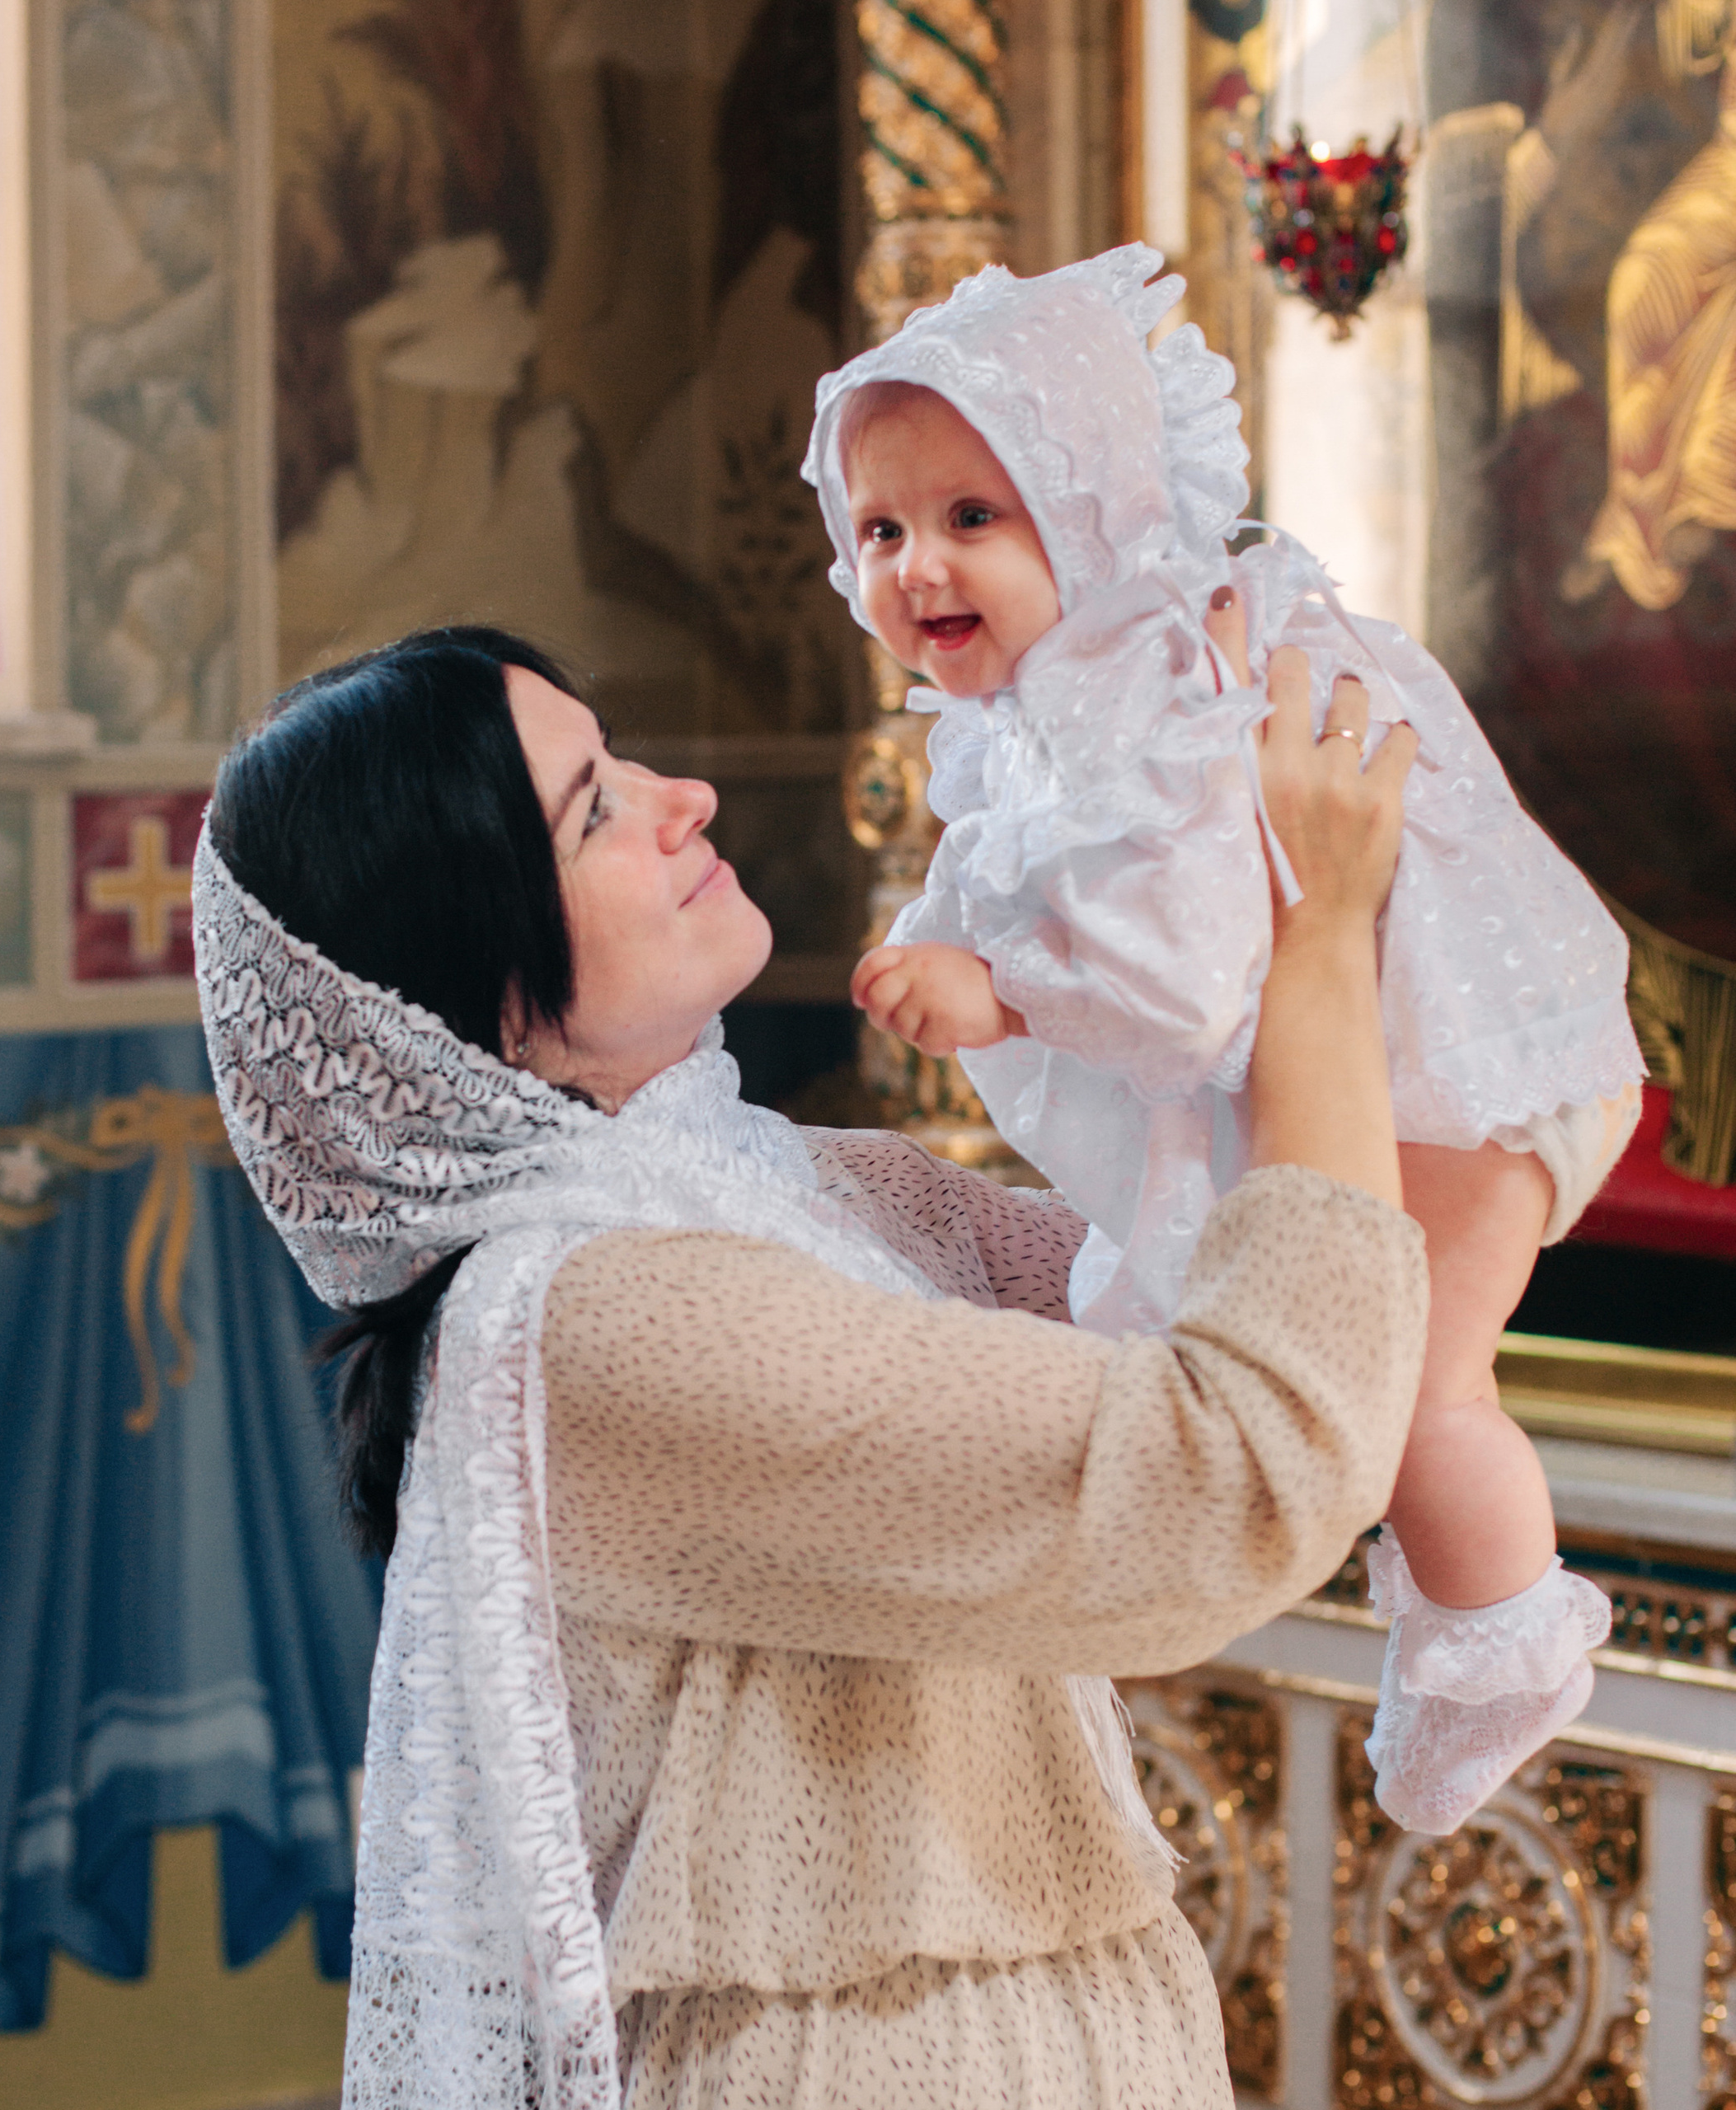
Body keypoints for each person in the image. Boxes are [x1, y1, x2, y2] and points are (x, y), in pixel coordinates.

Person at [196, 620, 1430, 2109]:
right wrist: (1319, 945)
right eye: (596, 809)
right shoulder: (601, 1318)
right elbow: (1224, 1472)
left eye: (621, 755)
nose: (685, 798)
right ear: (488, 1012)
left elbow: (1199, 1283)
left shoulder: (817, 1188)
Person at [802, 246, 1641, 1837]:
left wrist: (1008, 992)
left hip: (1464, 1066)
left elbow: (1188, 980)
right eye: (884, 529)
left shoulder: (1168, 674)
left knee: (1414, 1393)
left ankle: (1503, 1644)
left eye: (976, 517)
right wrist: (945, 936)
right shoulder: (1042, 709)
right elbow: (1011, 876)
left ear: (1100, 507)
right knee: (1259, 1361)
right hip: (1391, 1064)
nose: (920, 568)